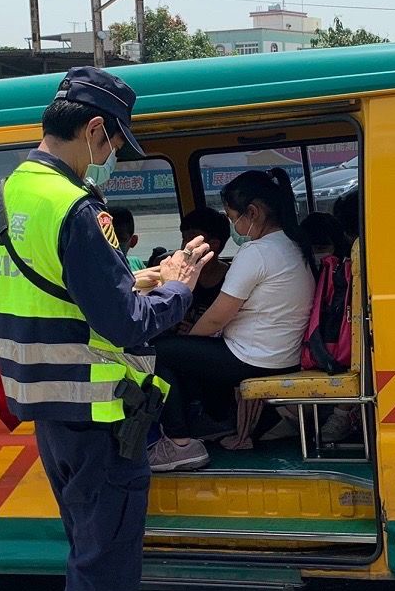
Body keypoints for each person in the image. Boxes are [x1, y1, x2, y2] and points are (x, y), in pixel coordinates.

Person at [0, 65, 214, 591]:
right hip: (101, 416)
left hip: (48, 409)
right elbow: (128, 325)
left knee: (93, 550)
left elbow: (60, 291)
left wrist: (135, 275)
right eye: (115, 145)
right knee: (104, 564)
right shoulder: (78, 209)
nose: (113, 157)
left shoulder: (8, 194)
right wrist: (177, 286)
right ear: (92, 131)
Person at [148, 169, 317, 469]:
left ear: (252, 212)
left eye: (232, 217)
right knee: (187, 352)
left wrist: (185, 341)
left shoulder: (257, 252)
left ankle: (179, 443)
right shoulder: (294, 245)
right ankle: (213, 422)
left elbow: (215, 319)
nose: (234, 226)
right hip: (282, 355)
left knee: (156, 351)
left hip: (251, 358)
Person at [177, 205, 231, 329]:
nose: (185, 245)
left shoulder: (232, 279)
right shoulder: (177, 276)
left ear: (214, 244)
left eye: (191, 239)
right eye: (184, 239)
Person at [109, 206, 146, 272]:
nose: (112, 244)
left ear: (133, 241)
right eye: (107, 239)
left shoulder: (136, 263)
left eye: (120, 239)